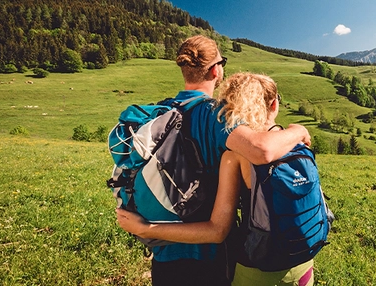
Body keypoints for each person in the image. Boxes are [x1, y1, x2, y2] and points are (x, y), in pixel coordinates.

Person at [116, 35, 310, 286]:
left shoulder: (162, 112)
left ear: (184, 69)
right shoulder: (214, 115)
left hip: (164, 255)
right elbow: (261, 150)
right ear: (216, 70)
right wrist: (298, 131)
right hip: (209, 257)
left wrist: (146, 228)